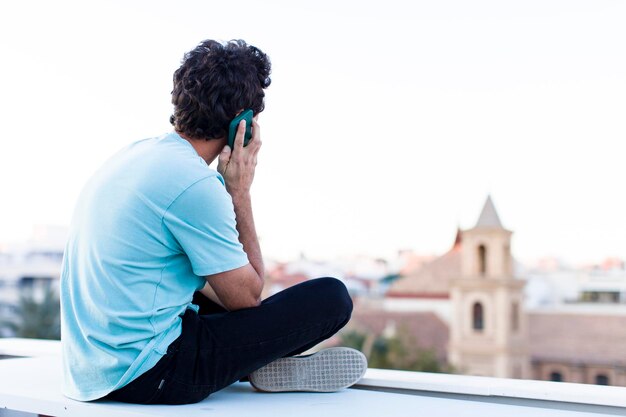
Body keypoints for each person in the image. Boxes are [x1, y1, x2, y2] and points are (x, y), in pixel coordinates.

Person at [60, 39, 366, 405]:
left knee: (213, 289)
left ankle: (256, 362)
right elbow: (247, 298)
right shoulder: (195, 184)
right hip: (151, 373)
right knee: (331, 297)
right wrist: (239, 191)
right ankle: (256, 363)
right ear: (243, 121)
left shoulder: (136, 155)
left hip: (90, 368)